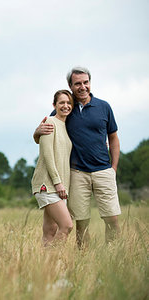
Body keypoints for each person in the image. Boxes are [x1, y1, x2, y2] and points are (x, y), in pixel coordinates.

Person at [34, 66, 121, 248]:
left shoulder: (103, 107)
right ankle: (83, 258)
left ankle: (113, 255)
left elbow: (113, 138)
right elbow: (48, 131)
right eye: (78, 83)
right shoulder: (66, 108)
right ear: (70, 85)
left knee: (112, 218)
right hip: (77, 174)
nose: (83, 87)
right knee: (81, 223)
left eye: (86, 82)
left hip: (103, 170)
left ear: (90, 83)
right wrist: (36, 133)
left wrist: (113, 168)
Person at [31, 90, 74, 246]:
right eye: (61, 102)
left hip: (58, 186)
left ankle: (45, 266)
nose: (65, 106)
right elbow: (48, 155)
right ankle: (52, 259)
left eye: (69, 103)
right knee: (67, 225)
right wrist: (57, 182)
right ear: (54, 105)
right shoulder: (49, 122)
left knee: (51, 230)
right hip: (47, 185)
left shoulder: (65, 126)